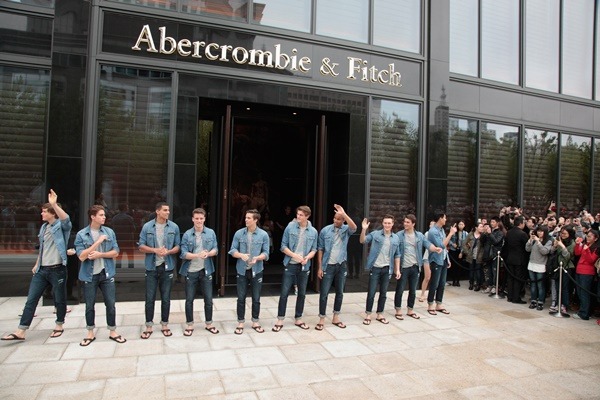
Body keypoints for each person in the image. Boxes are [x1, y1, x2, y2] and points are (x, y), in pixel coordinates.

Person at [2, 190, 71, 341]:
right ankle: (21, 331)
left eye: (45, 212)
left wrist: (54, 204)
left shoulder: (61, 227)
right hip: (41, 270)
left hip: (57, 269)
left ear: (53, 213)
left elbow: (66, 220)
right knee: (31, 299)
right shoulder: (43, 228)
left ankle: (59, 324)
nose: (42, 214)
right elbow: (43, 248)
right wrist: (36, 263)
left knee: (59, 299)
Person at [75, 205, 126, 346]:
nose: (104, 217)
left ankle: (112, 331)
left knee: (110, 304)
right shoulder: (81, 234)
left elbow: (116, 252)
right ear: (93, 217)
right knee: (89, 305)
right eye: (101, 215)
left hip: (106, 273)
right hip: (89, 275)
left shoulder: (109, 232)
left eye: (104, 215)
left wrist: (100, 254)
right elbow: (81, 256)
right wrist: (97, 242)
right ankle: (90, 333)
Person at [138, 202, 180, 339]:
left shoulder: (174, 227)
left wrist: (168, 252)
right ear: (157, 211)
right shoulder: (147, 226)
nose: (168, 212)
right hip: (151, 267)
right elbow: (141, 246)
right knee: (149, 298)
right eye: (165, 210)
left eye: (168, 210)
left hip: (167, 267)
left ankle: (165, 324)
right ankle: (149, 325)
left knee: (166, 298)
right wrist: (155, 250)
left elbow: (178, 246)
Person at [273, 205, 318, 331]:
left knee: (302, 293)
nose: (298, 217)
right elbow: (283, 246)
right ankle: (280, 319)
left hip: (304, 266)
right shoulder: (290, 227)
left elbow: (314, 249)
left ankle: (298, 318)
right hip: (290, 264)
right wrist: (295, 256)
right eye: (297, 214)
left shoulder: (313, 231)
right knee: (284, 292)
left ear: (307, 216)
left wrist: (307, 258)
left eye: (301, 215)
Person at [315, 204, 357, 330]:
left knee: (340, 292)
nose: (336, 221)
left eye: (339, 219)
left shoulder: (346, 229)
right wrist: (320, 267)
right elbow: (320, 249)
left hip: (341, 265)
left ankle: (336, 317)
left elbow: (354, 227)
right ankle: (322, 318)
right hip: (328, 265)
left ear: (343, 220)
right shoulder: (325, 230)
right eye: (335, 218)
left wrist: (344, 213)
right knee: (324, 293)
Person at [229, 209, 270, 334]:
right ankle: (240, 322)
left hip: (257, 270)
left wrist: (258, 258)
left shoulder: (263, 234)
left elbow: (266, 253)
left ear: (256, 220)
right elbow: (232, 250)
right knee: (241, 297)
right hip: (241, 270)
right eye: (246, 217)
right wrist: (241, 255)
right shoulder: (239, 233)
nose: (245, 219)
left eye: (248, 218)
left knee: (256, 297)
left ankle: (255, 321)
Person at [179, 208, 219, 336]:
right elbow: (183, 254)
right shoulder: (187, 234)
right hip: (191, 271)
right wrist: (197, 255)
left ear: (204, 219)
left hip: (206, 270)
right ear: (192, 219)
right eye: (196, 218)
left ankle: (209, 323)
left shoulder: (210, 232)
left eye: (201, 218)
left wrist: (208, 253)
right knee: (189, 299)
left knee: (208, 299)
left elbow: (215, 249)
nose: (199, 221)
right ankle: (190, 324)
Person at [394, 214, 441, 320]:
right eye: (404, 222)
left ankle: (410, 310)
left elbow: (427, 244)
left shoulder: (419, 236)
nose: (405, 224)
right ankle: (398, 310)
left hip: (415, 266)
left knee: (413, 290)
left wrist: (435, 249)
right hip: (403, 267)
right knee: (400, 289)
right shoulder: (399, 235)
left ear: (413, 224)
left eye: (408, 222)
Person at [360, 214, 400, 325]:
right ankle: (368, 314)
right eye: (385, 223)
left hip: (387, 268)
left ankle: (380, 314)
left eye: (389, 223)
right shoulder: (375, 234)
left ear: (392, 224)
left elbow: (397, 255)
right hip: (376, 268)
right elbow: (363, 241)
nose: (387, 225)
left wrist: (397, 270)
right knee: (371, 292)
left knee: (383, 293)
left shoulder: (396, 238)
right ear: (382, 223)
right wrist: (363, 230)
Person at [425, 211, 457, 315]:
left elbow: (445, 248)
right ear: (440, 218)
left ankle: (439, 303)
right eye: (444, 218)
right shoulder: (433, 231)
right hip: (435, 260)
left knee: (442, 283)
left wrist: (447, 259)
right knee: (435, 283)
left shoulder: (442, 230)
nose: (446, 220)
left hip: (443, 259)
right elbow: (441, 245)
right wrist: (451, 234)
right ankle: (430, 304)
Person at [573, 230, 600, 320]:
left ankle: (584, 313)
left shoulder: (596, 248)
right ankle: (582, 310)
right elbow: (577, 253)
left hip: (587, 273)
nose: (587, 238)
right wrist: (577, 244)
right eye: (587, 236)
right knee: (579, 292)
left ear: (595, 238)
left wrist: (587, 250)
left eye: (590, 236)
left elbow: (591, 260)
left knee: (584, 293)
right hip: (579, 270)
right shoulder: (586, 245)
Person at [525, 225, 553, 310]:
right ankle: (533, 300)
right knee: (533, 284)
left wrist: (538, 242)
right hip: (532, 263)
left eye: (541, 231)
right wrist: (530, 240)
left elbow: (544, 251)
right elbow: (527, 249)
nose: (539, 233)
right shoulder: (534, 240)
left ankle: (541, 301)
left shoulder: (548, 241)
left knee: (540, 285)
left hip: (541, 264)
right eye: (538, 231)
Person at [550, 226, 575, 314]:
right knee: (557, 287)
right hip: (557, 266)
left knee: (564, 287)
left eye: (564, 233)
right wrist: (555, 246)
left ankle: (564, 305)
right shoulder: (558, 239)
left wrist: (562, 246)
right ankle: (557, 304)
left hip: (566, 267)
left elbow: (568, 256)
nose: (562, 235)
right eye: (561, 233)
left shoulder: (572, 243)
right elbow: (551, 251)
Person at [504, 216, 529, 304]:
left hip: (510, 258)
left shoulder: (509, 232)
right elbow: (527, 247)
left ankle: (510, 296)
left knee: (510, 278)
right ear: (521, 224)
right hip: (519, 259)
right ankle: (516, 297)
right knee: (518, 279)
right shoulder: (522, 234)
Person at [111, 203, 136, 268]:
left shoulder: (114, 218)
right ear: (125, 208)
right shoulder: (129, 218)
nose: (128, 208)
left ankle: (118, 271)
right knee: (130, 257)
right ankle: (131, 272)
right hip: (128, 240)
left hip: (118, 240)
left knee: (119, 257)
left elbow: (113, 229)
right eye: (127, 207)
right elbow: (133, 229)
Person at [463, 222, 485, 292]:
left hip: (479, 256)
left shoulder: (483, 236)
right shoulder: (470, 234)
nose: (482, 228)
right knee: (471, 271)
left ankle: (478, 284)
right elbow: (464, 243)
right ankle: (471, 283)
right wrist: (467, 252)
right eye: (481, 226)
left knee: (478, 272)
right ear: (476, 227)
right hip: (471, 256)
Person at [448, 220, 467, 286]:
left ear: (464, 225)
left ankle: (458, 281)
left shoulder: (465, 233)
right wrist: (452, 244)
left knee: (459, 266)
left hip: (460, 251)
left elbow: (465, 244)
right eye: (459, 224)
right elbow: (448, 239)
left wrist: (462, 252)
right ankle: (453, 280)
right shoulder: (454, 232)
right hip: (453, 250)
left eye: (462, 224)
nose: (460, 226)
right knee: (453, 266)